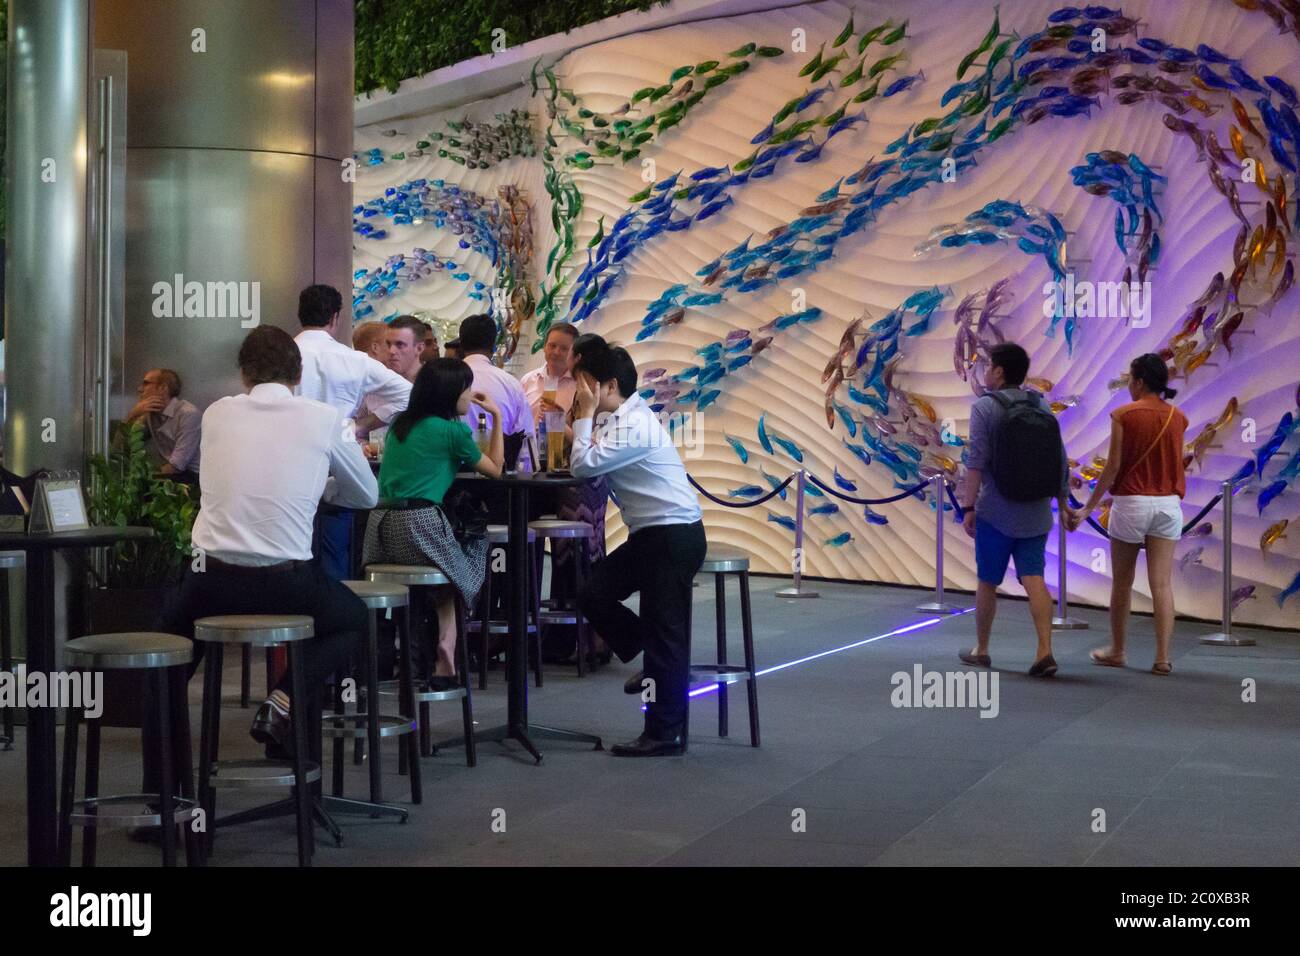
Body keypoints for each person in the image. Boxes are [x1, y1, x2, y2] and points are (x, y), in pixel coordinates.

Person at [152, 326, 377, 763]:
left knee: (165, 663)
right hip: (286, 584)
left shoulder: (217, 413)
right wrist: (322, 491)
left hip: (209, 581)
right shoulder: (324, 418)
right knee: (353, 619)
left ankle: (162, 798)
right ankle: (283, 700)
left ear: (243, 376)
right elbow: (365, 495)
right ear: (297, 376)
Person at [572, 340, 706, 756]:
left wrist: (580, 419)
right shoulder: (619, 417)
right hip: (651, 535)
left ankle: (664, 734)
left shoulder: (633, 426)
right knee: (592, 592)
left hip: (671, 536)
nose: (578, 393)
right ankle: (647, 646)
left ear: (607, 385)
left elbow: (582, 465)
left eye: (584, 385)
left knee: (665, 634)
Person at [363, 358, 505, 688]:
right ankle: (447, 649)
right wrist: (496, 417)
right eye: (466, 388)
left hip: (378, 529)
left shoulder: (401, 425)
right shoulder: (452, 432)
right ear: (451, 392)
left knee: (445, 570)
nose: (470, 394)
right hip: (418, 524)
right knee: (470, 553)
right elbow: (496, 468)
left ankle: (425, 653)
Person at [1070, 354, 1188, 675]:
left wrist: (1088, 508)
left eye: (1130, 381)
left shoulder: (1124, 414)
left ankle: (1118, 651)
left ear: (1139, 381)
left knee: (1122, 582)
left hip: (1132, 504)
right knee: (1161, 584)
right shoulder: (1177, 417)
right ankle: (1162, 658)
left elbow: (1113, 467)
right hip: (1168, 505)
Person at [957, 342, 1069, 678]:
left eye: (989, 365)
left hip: (996, 510)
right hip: (1036, 511)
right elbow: (1060, 460)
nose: (986, 371)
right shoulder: (1042, 406)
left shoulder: (984, 408)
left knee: (988, 580)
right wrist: (1062, 503)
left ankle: (982, 648)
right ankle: (1044, 649)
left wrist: (968, 506)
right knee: (1034, 578)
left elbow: (975, 463)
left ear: (1000, 371)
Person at [293, 284, 411, 579]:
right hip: (339, 458)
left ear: (299, 314)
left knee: (293, 552)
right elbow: (409, 395)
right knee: (334, 553)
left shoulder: (285, 355)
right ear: (335, 318)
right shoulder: (353, 359)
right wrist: (358, 425)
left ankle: (298, 618)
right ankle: (335, 615)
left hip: (292, 461)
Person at [456, 314, 533, 443]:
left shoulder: (445, 381)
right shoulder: (511, 384)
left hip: (452, 461)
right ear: (493, 345)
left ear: (461, 344)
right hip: (501, 460)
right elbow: (526, 438)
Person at [125, 368, 201, 479]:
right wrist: (132, 415)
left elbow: (178, 464)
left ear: (163, 388)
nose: (140, 389)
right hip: (170, 475)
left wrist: (146, 479)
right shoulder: (150, 414)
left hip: (192, 477)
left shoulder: (188, 414)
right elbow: (123, 447)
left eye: (146, 383)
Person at [519, 322, 579, 422]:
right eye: (552, 346)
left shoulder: (579, 385)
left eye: (564, 349)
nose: (556, 352)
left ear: (574, 353)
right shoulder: (528, 380)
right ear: (544, 347)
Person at [385, 314, 429, 383]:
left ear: (419, 348)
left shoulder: (434, 384)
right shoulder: (379, 383)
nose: (391, 351)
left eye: (400, 344)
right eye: (388, 344)